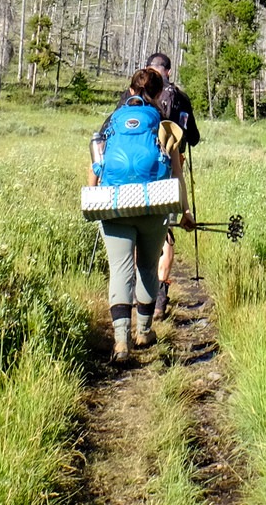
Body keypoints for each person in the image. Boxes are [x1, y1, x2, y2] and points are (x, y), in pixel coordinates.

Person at [89, 66, 183, 364]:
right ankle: (143, 331)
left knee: (120, 270)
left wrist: (93, 197)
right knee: (147, 267)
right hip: (153, 204)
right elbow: (176, 172)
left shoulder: (112, 122)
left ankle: (121, 341)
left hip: (114, 204)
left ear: (131, 90)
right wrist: (184, 211)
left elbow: (96, 165)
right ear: (159, 93)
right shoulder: (164, 126)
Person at [145, 51, 198, 319]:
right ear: (168, 71)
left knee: (142, 227)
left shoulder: (137, 93)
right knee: (166, 229)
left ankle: (141, 292)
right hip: (171, 169)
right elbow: (194, 137)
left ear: (148, 69)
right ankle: (160, 297)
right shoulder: (180, 97)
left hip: (141, 172)